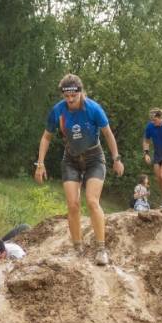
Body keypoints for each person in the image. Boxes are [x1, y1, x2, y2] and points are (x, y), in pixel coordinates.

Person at [34, 74, 124, 266]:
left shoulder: (93, 109)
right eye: (66, 96)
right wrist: (40, 163)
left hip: (94, 158)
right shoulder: (58, 111)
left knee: (92, 201)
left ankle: (101, 249)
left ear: (80, 92)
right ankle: (78, 248)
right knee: (73, 204)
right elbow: (46, 137)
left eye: (73, 96)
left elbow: (108, 134)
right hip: (71, 159)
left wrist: (116, 159)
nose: (70, 100)